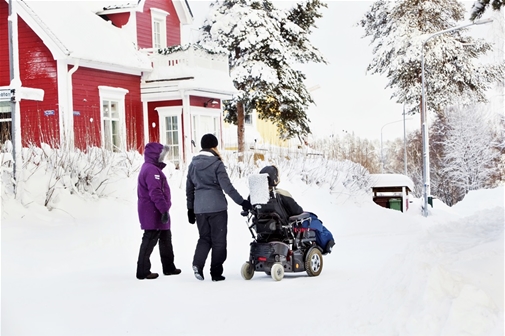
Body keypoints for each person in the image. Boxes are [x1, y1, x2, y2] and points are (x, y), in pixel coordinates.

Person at [186, 134, 252, 282]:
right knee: (219, 240)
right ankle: (216, 272)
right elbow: (227, 188)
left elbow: (189, 189)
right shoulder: (217, 164)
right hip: (217, 208)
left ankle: (198, 264)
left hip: (200, 209)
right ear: (214, 147)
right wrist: (242, 202)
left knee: (204, 238)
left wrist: (190, 209)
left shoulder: (193, 165)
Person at [257, 165, 335, 254]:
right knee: (313, 219)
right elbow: (297, 211)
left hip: (265, 229)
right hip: (287, 227)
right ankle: (327, 243)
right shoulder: (281, 194)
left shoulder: (256, 197)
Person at [136, 142, 181, 280]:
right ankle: (143, 270)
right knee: (150, 239)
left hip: (158, 211)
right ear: (155, 155)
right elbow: (155, 192)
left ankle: (169, 267)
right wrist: (163, 210)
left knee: (166, 239)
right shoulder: (150, 170)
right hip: (153, 211)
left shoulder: (153, 169)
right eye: (162, 154)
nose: (164, 157)